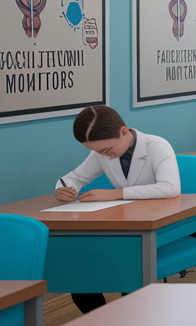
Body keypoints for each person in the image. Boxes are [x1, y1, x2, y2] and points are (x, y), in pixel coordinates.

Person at [55, 105, 180, 315]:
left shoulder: (157, 146)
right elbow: (73, 178)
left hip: (157, 227)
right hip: (124, 227)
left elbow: (170, 187)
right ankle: (101, 325)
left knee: (126, 273)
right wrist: (64, 189)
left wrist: (116, 193)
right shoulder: (102, 152)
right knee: (79, 278)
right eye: (97, 152)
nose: (104, 155)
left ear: (123, 131)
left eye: (106, 150)